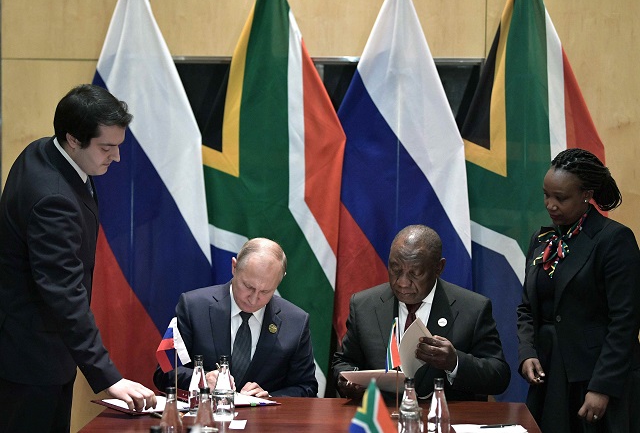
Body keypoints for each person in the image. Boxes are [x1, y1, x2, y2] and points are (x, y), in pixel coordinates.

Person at [0, 84, 157, 432]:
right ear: (73, 139)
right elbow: (64, 294)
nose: (115, 157)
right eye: (106, 147)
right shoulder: (53, 200)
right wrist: (109, 377)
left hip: (44, 351)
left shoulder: (43, 151)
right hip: (29, 361)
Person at [517, 148, 640, 433]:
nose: (550, 205)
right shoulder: (542, 239)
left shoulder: (614, 240)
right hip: (550, 377)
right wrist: (527, 352)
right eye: (546, 195)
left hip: (596, 379)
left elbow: (625, 322)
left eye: (561, 198)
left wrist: (602, 387)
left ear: (586, 195)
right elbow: (527, 306)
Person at [333, 225, 510, 401]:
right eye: (395, 269)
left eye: (415, 273)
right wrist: (348, 382)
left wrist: (455, 362)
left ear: (439, 268)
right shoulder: (364, 305)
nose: (402, 282)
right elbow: (344, 363)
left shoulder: (473, 308)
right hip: (380, 419)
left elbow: (498, 376)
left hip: (446, 420)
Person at [153, 237, 318, 398]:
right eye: (248, 286)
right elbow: (164, 372)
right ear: (234, 267)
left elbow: (306, 387)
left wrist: (270, 397)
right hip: (206, 420)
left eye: (266, 291)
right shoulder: (194, 307)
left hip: (263, 423)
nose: (253, 299)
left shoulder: (295, 321)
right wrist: (201, 380)